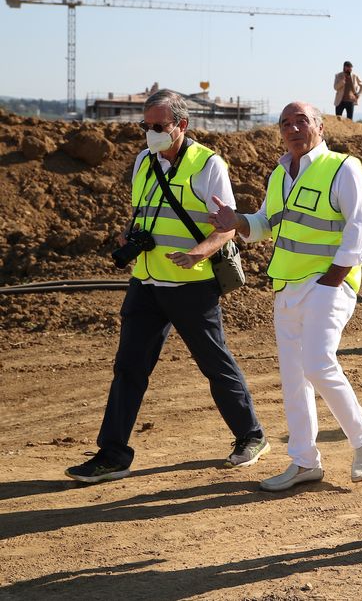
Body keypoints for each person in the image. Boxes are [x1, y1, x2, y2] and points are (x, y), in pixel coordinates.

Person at [66, 89, 267, 484]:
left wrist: (197, 254)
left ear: (181, 125)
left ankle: (251, 436)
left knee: (214, 362)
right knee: (129, 367)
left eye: (158, 126)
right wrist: (129, 235)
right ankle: (113, 454)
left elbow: (227, 227)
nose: (150, 133)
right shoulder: (144, 160)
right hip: (146, 281)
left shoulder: (208, 164)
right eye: (146, 126)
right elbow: (140, 213)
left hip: (192, 285)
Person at [211, 101, 362, 492]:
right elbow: (265, 224)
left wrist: (334, 278)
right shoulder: (279, 174)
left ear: (320, 127)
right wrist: (237, 221)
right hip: (287, 286)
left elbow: (359, 228)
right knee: (293, 377)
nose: (293, 128)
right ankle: (304, 461)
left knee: (318, 364)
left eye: (301, 120)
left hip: (328, 282)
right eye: (285, 123)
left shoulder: (343, 167)